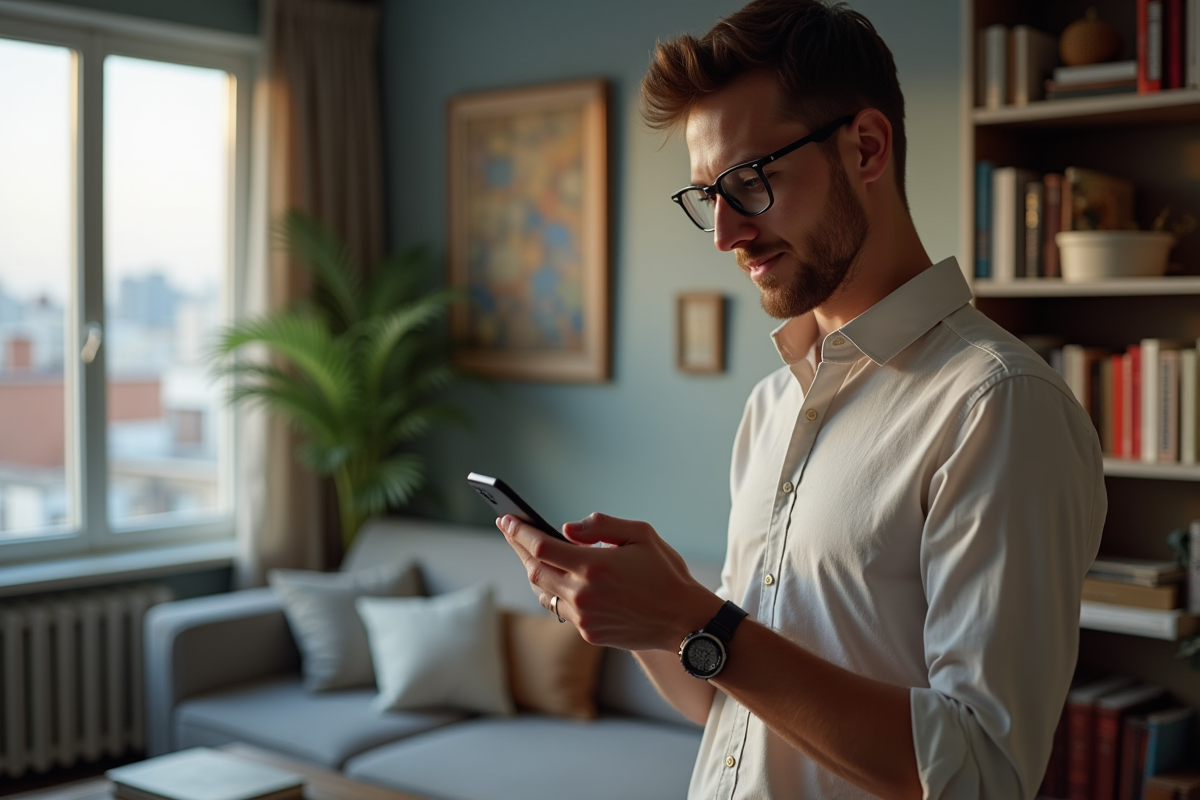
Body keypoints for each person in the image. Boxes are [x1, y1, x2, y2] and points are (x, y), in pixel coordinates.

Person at [498, 1, 1106, 797]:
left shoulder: (997, 406)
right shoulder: (770, 409)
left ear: (866, 148)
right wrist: (645, 619)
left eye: (750, 181)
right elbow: (728, 713)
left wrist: (695, 620)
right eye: (706, 194)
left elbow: (980, 771)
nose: (723, 234)